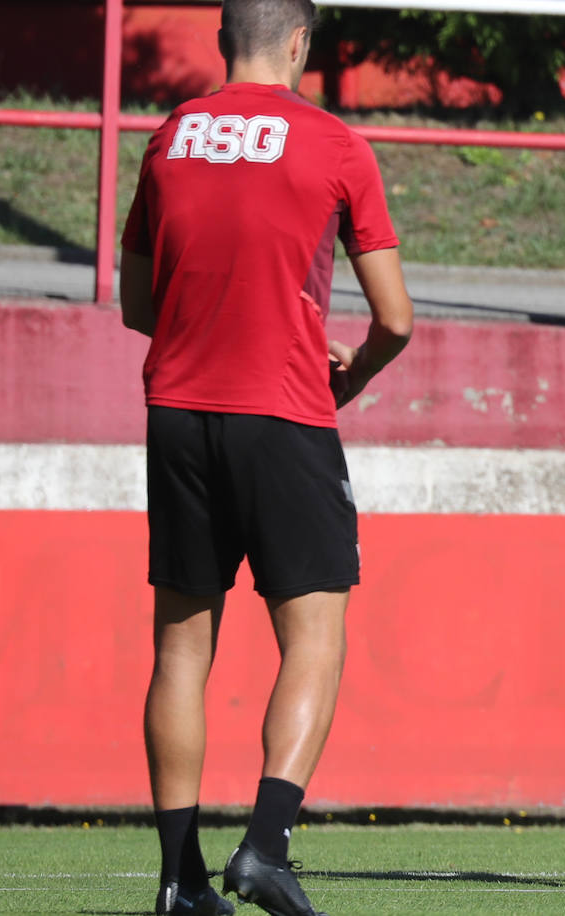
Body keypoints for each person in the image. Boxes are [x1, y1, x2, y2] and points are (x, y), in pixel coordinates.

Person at [120, 1, 412, 914]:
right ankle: (264, 848)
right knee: (314, 639)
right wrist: (349, 375)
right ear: (300, 44)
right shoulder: (333, 144)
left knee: (179, 649)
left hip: (177, 410)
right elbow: (396, 320)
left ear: (221, 42)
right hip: (284, 411)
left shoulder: (170, 138)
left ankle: (178, 880)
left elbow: (137, 303)